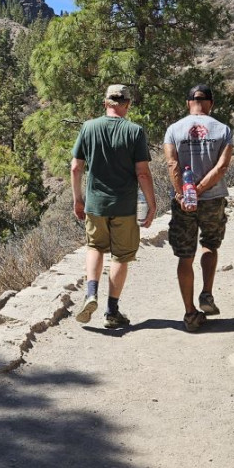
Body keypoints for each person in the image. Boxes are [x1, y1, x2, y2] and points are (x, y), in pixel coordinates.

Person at [71, 84, 157, 328]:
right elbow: (143, 174)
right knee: (121, 256)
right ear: (127, 104)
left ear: (105, 103)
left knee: (95, 247)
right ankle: (111, 311)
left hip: (96, 204)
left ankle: (90, 293)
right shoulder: (135, 131)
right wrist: (151, 204)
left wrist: (78, 199)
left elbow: (76, 167)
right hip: (125, 206)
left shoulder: (88, 128)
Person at [163, 84, 234, 332]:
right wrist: (201, 189)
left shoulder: (174, 129)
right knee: (210, 245)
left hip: (183, 202)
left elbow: (172, 164)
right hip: (213, 198)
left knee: (185, 255)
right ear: (210, 103)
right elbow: (222, 167)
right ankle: (206, 294)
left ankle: (190, 315)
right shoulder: (223, 130)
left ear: (188, 103)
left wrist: (184, 194)